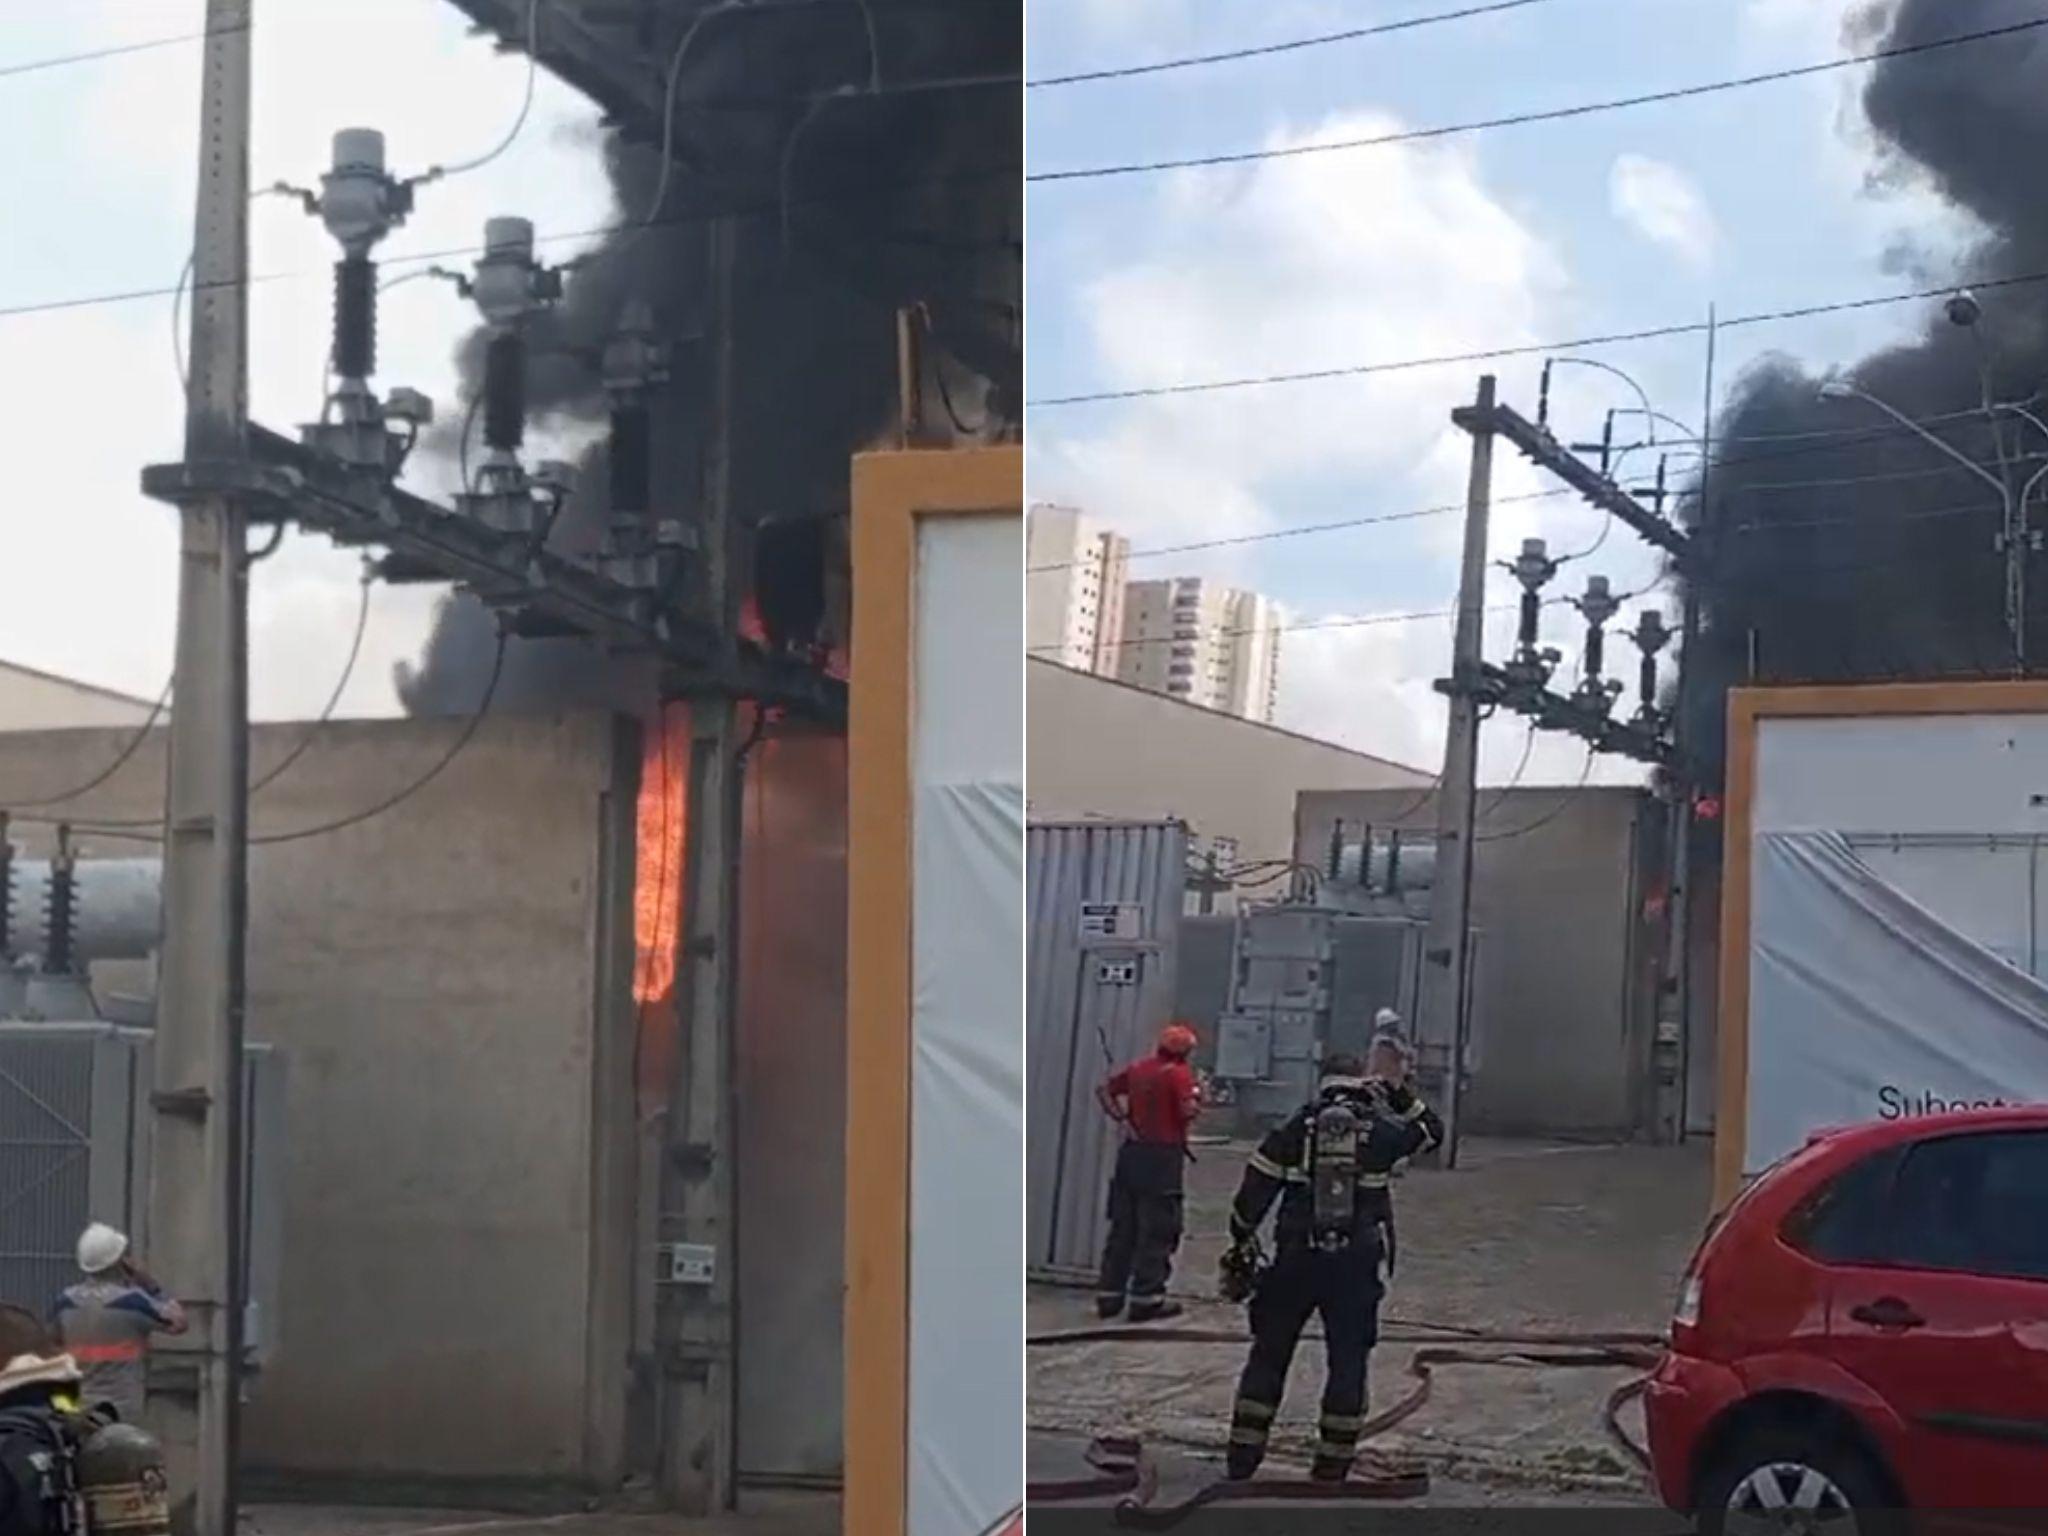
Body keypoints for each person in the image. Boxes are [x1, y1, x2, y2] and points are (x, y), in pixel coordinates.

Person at [1219, 1036, 1442, 1482]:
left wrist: (1242, 1242)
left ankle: (1243, 1457)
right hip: (1355, 1266)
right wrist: (1398, 1092)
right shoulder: (1380, 1133)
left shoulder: (1294, 1128)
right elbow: (1433, 1134)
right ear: (1361, 1083)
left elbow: (1251, 1196)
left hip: (1295, 1259)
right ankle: (1332, 1463)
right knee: (1348, 1359)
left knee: (1269, 1352)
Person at [1095, 1022, 1202, 1322]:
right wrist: (1199, 1097)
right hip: (1163, 1158)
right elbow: (1187, 1111)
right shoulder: (1179, 1075)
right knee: (1158, 1230)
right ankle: (1147, 1299)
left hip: (1131, 1154)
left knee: (1123, 1228)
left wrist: (1121, 1117)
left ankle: (1109, 1296)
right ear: (1186, 1052)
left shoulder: (1139, 1068)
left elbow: (1104, 1091)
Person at [52, 1225, 185, 1428]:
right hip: (121, 1409)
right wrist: (149, 1283)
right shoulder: (132, 1302)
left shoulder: (65, 1303)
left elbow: (52, 1343)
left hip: (76, 1407)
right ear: (120, 1262)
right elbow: (178, 1322)